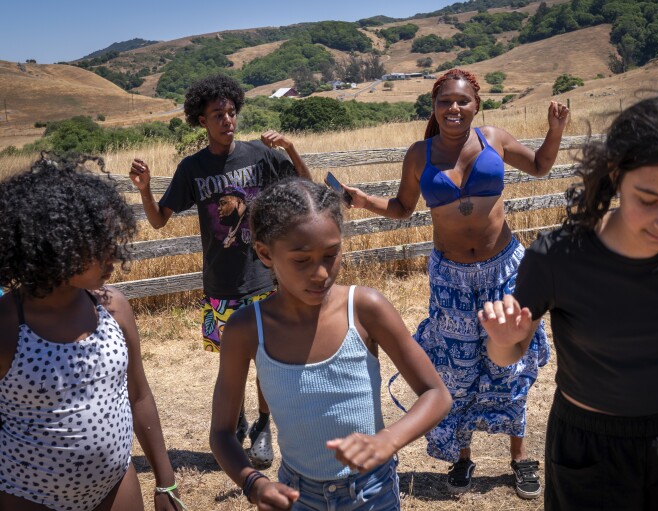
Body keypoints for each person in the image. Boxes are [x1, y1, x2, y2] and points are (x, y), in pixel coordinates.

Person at [485, 93, 658, 510]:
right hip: (589, 452)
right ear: (616, 174)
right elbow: (509, 353)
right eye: (649, 200)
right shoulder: (557, 256)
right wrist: (504, 337)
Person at [342, 68, 570, 497]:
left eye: (462, 101)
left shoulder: (493, 139)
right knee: (456, 370)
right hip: (451, 279)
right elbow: (402, 208)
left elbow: (541, 166)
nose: (454, 108)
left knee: (511, 364)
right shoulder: (418, 155)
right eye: (445, 101)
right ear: (434, 106)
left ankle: (519, 457)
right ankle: (463, 458)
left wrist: (554, 130)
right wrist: (363, 200)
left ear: (476, 105)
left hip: (503, 270)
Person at [209, 178, 452, 510]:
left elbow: (437, 394)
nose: (321, 273)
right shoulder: (246, 329)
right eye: (302, 260)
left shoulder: (365, 309)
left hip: (372, 493)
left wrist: (387, 441)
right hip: (297, 496)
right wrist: (254, 483)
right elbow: (222, 432)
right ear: (265, 253)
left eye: (331, 254)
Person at [129, 74, 311, 469]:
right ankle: (239, 418)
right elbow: (160, 220)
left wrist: (292, 150)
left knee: (266, 358)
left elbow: (306, 189)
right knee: (232, 361)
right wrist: (144, 190)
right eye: (217, 114)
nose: (227, 120)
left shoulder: (261, 156)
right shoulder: (192, 168)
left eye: (231, 112)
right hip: (220, 281)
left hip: (263, 277)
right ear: (200, 120)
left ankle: (263, 426)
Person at [0, 153, 184, 511]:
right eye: (99, 244)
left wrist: (166, 482)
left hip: (115, 487)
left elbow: (139, 395)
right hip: (30, 495)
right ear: (55, 245)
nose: (114, 254)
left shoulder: (112, 307)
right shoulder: (8, 326)